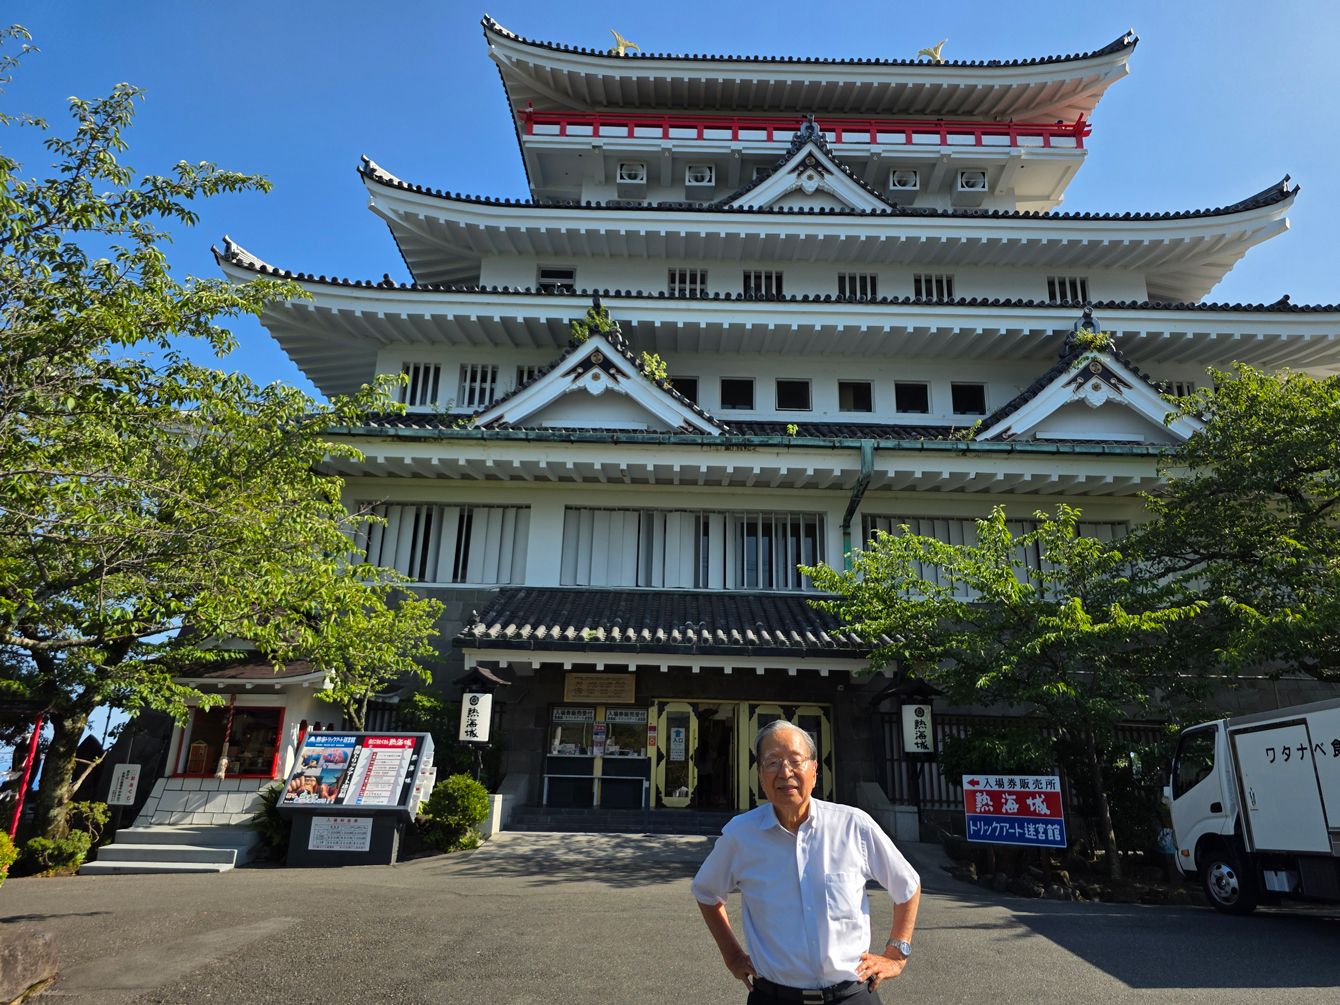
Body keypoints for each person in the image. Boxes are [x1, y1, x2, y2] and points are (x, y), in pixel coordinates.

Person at [692, 720, 921, 1003]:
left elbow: (907, 885)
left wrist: (896, 954)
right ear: (760, 775)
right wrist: (733, 956)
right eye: (772, 762)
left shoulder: (853, 826)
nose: (784, 772)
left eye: (795, 761)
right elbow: (706, 891)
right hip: (773, 997)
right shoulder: (741, 835)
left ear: (814, 770)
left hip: (851, 995)